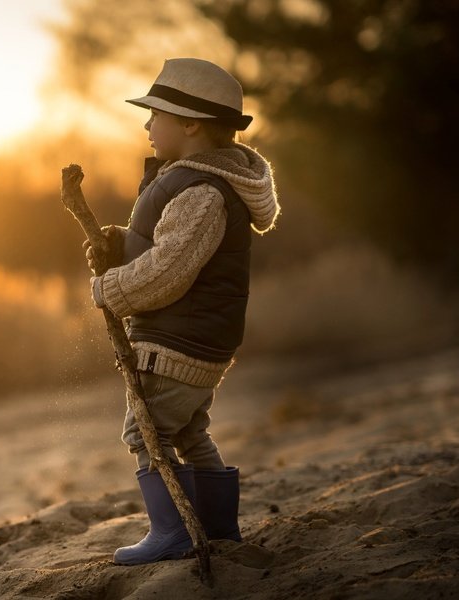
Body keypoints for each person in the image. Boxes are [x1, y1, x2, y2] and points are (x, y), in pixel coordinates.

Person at [84, 57, 280, 565]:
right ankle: (217, 530)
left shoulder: (200, 191)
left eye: (156, 116)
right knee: (189, 431)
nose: (147, 125)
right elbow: (163, 248)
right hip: (194, 338)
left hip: (178, 343)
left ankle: (172, 534)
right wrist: (120, 242)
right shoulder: (191, 181)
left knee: (146, 431)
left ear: (190, 125)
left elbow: (170, 272)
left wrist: (109, 288)